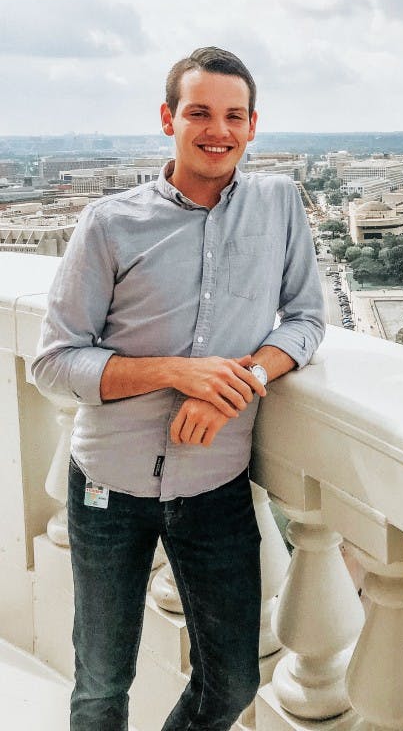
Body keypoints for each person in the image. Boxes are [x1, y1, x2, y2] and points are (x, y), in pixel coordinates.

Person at [32, 47, 325, 731]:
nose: (216, 130)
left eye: (233, 115)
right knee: (101, 684)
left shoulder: (279, 205)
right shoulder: (109, 223)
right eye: (199, 112)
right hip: (107, 486)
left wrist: (243, 378)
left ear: (253, 126)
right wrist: (174, 370)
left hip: (215, 485)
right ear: (169, 119)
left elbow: (307, 318)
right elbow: (53, 363)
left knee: (232, 682)